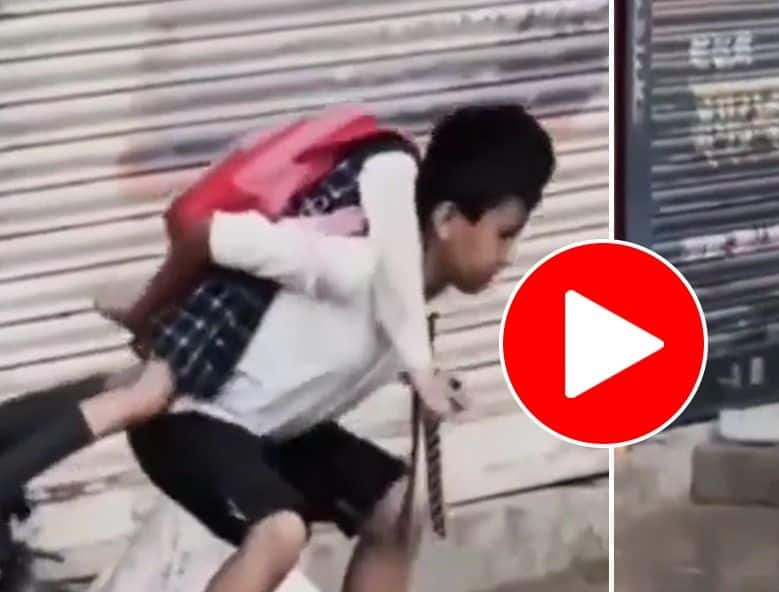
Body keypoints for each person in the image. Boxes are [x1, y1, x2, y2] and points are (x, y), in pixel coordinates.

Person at [114, 104, 553, 592]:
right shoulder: (363, 255)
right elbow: (221, 242)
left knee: (396, 507)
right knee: (279, 531)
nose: (508, 256)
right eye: (503, 234)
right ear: (443, 221)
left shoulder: (416, 295)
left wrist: (434, 383)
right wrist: (150, 319)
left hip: (270, 427)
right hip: (187, 411)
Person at [0, 107, 459, 531]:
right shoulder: (353, 243)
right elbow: (208, 236)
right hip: (215, 321)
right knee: (135, 398)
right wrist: (148, 309)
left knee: (125, 389)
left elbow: (392, 301)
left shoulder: (348, 222)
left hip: (217, 324)